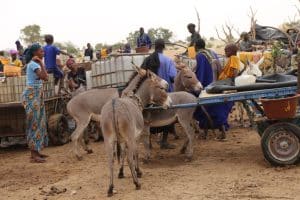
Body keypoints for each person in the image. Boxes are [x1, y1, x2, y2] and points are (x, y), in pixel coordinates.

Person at [194, 42, 240, 140]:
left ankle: (217, 132)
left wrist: (232, 83)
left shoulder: (234, 58)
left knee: (212, 108)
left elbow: (234, 72)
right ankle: (209, 132)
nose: (225, 52)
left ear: (232, 51)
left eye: (227, 51)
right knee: (210, 108)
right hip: (222, 81)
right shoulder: (217, 55)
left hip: (226, 83)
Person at [141, 39, 177, 149]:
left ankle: (150, 143)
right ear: (164, 47)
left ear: (154, 47)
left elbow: (142, 74)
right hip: (165, 93)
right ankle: (164, 141)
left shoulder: (147, 59)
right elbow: (172, 76)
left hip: (150, 94)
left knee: (149, 116)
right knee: (167, 116)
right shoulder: (168, 60)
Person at [22, 43, 49, 163]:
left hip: (37, 95)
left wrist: (41, 63)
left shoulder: (35, 64)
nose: (43, 53)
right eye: (41, 52)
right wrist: (42, 63)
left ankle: (36, 152)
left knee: (39, 122)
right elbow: (45, 77)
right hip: (32, 95)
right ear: (35, 53)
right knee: (34, 123)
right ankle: (33, 155)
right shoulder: (33, 64)